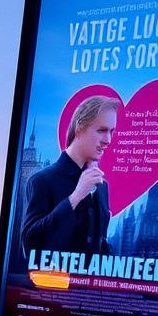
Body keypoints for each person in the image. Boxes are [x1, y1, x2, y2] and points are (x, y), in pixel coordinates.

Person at [20, 96, 117, 260]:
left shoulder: (101, 186)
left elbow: (99, 247)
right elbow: (30, 245)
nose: (108, 140)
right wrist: (76, 196)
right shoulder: (41, 181)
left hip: (91, 284)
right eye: (101, 130)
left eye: (111, 131)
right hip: (53, 283)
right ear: (79, 130)